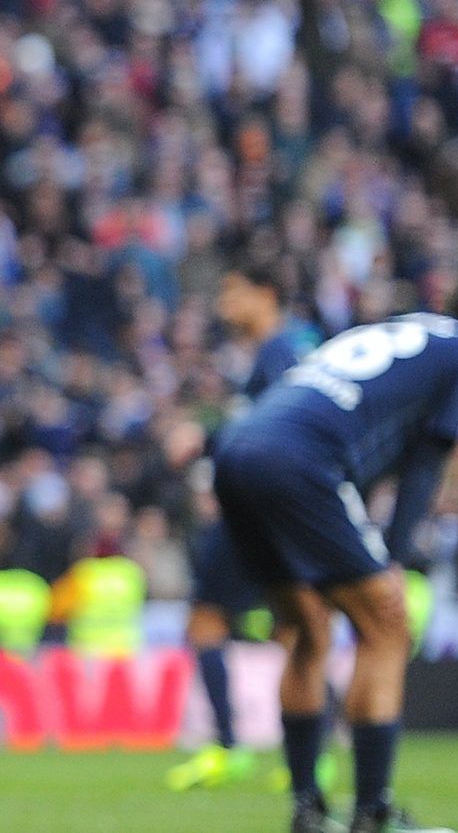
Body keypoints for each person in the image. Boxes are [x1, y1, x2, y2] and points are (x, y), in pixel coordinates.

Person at [213, 278, 458, 833]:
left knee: (309, 630)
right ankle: (373, 812)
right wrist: (393, 556)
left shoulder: (411, 326)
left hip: (238, 449)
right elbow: (428, 460)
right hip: (300, 459)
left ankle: (308, 811)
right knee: (387, 624)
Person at [170, 250, 326, 792]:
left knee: (210, 623)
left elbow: (277, 428)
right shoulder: (284, 348)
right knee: (292, 628)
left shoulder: (281, 350)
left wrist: (207, 440)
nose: (223, 303)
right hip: (276, 508)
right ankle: (311, 754)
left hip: (256, 510)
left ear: (265, 295)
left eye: (231, 290)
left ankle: (233, 748)